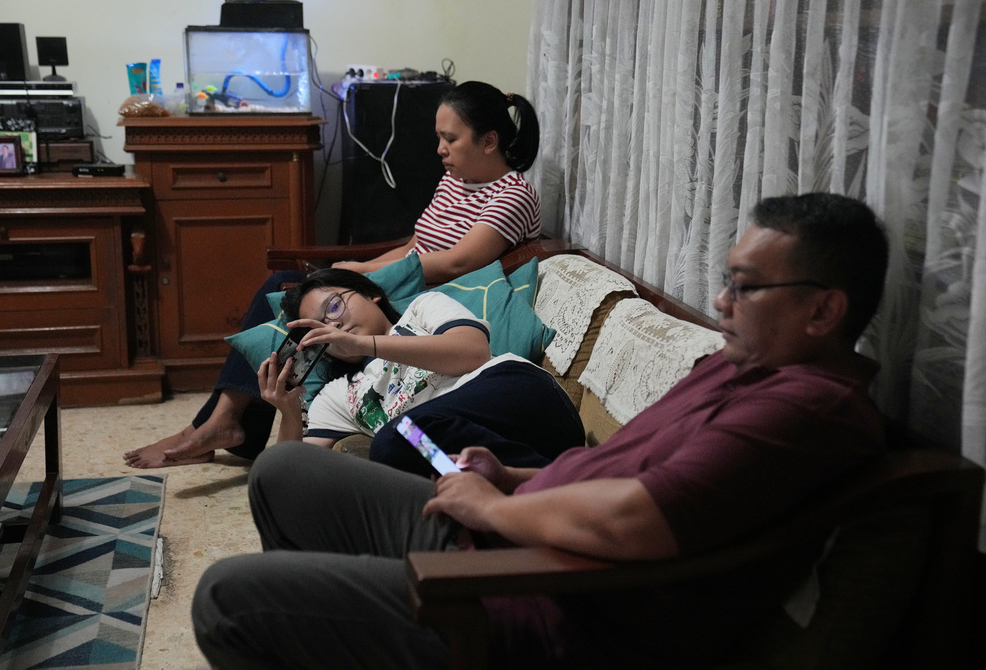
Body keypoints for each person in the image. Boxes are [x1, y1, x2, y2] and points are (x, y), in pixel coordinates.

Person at [192, 193, 891, 669]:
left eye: (745, 287)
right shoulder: (744, 365)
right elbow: (620, 470)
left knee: (228, 596)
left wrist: (500, 508)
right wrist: (510, 479)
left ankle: (365, 620)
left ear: (825, 311)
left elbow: (638, 519)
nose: (720, 301)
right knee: (286, 473)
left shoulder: (807, 409)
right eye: (728, 280)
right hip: (515, 530)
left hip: (545, 602)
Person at [124, 80, 543, 468]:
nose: (439, 149)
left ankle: (221, 421)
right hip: (408, 278)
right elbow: (417, 245)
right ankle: (225, 421)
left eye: (450, 138)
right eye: (438, 137)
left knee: (283, 287)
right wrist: (362, 267)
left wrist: (362, 270)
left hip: (428, 292)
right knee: (288, 287)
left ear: (490, 141)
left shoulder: (514, 194)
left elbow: (456, 262)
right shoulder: (455, 181)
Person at [256, 268, 584, 473]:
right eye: (321, 328)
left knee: (397, 436)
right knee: (398, 448)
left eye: (334, 306)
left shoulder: (421, 309)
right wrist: (288, 412)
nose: (334, 324)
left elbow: (472, 352)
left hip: (523, 396)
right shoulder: (337, 395)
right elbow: (293, 472)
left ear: (372, 294)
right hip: (482, 448)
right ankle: (537, 480)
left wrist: (366, 344)